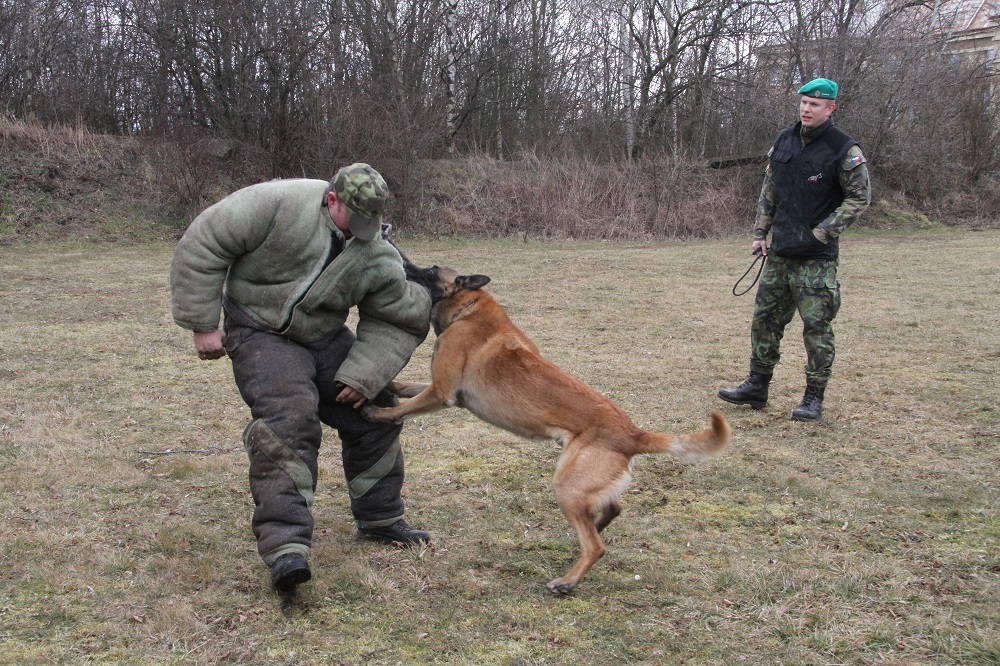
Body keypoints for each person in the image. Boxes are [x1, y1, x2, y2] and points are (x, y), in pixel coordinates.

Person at [170, 163, 432, 593]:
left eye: (373, 222)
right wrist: (202, 323)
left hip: (322, 335)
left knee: (378, 408)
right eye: (357, 220)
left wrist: (365, 374)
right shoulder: (276, 203)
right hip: (258, 329)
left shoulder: (376, 250)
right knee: (291, 420)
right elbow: (204, 243)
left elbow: (398, 317)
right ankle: (286, 548)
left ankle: (381, 519)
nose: (364, 232)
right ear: (333, 199)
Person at [718, 78, 871, 421]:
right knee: (765, 322)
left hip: (816, 259)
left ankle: (813, 397)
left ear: (831, 108)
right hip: (779, 253)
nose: (806, 108)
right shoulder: (784, 140)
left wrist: (821, 234)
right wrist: (760, 232)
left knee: (817, 328)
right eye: (803, 102)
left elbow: (859, 198)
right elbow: (770, 189)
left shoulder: (844, 149)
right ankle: (757, 386)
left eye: (815, 104)